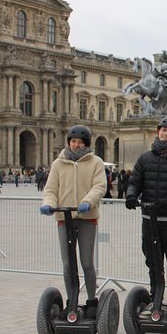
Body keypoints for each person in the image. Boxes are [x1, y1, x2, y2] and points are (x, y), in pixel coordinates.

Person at [125, 116, 167, 321]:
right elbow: (135, 180)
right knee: (152, 262)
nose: (165, 134)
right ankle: (155, 297)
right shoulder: (145, 158)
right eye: (162, 130)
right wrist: (131, 195)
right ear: (158, 132)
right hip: (149, 219)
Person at [40, 125, 107, 319]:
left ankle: (92, 300)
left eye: (80, 142)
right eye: (73, 141)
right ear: (69, 142)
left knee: (86, 262)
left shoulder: (95, 162)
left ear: (86, 144)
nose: (76, 145)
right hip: (63, 217)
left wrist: (87, 201)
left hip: (87, 217)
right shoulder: (58, 164)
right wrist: (48, 204)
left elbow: (99, 186)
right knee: (68, 264)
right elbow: (51, 189)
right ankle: (71, 300)